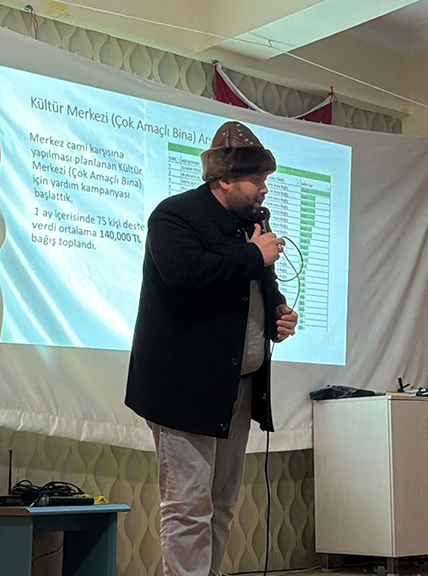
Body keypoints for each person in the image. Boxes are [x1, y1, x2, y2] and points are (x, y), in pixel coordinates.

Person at [125, 121, 299, 576]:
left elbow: (259, 285)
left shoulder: (252, 225)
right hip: (184, 389)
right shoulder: (174, 216)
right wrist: (253, 255)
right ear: (224, 179)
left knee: (221, 503)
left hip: (237, 387)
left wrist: (278, 313)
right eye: (257, 180)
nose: (265, 189)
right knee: (187, 506)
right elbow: (185, 276)